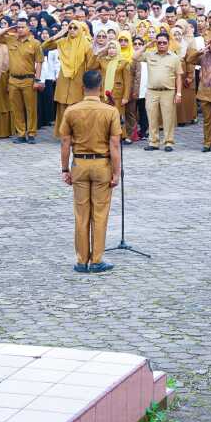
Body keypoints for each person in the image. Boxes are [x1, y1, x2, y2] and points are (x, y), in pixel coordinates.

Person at [58, 69, 122, 274]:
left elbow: (65, 142)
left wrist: (64, 168)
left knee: (81, 214)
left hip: (80, 164)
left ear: (82, 87)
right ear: (101, 87)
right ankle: (96, 260)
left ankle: (81, 259)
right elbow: (114, 145)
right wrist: (117, 172)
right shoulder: (110, 111)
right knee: (100, 215)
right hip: (102, 164)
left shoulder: (71, 111)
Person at [0, 18, 44, 144]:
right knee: (17, 108)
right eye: (18, 27)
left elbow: (39, 62)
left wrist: (37, 80)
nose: (20, 29)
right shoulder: (11, 39)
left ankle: (31, 133)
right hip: (13, 79)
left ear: (29, 28)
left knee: (31, 108)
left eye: (22, 27)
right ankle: (21, 133)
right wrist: (8, 29)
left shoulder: (35, 43)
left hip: (28, 79)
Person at [133, 31, 183, 152]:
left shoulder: (174, 58)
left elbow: (179, 76)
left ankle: (168, 142)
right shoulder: (150, 55)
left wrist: (179, 93)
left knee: (168, 118)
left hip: (168, 91)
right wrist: (147, 45)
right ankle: (153, 142)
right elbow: (134, 57)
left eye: (164, 42)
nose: (161, 45)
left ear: (168, 43)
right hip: (152, 91)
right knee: (152, 117)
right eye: (159, 42)